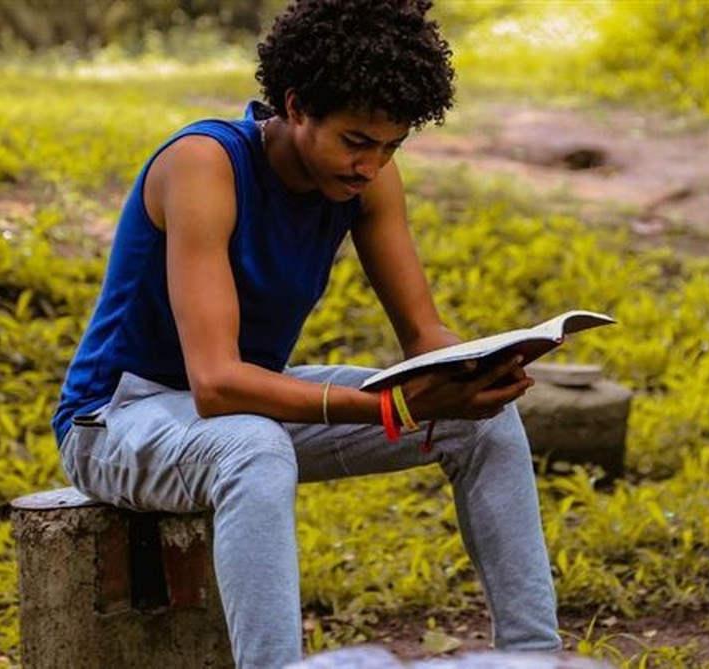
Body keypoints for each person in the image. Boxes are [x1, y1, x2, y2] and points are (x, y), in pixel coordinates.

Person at [50, 1, 562, 666]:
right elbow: (215, 383)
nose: (370, 165)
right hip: (117, 419)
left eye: (390, 147)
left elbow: (424, 333)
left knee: (484, 421)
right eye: (355, 141)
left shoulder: (365, 182)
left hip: (243, 410)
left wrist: (474, 371)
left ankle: (535, 655)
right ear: (295, 106)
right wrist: (394, 406)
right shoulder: (203, 164)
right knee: (253, 446)